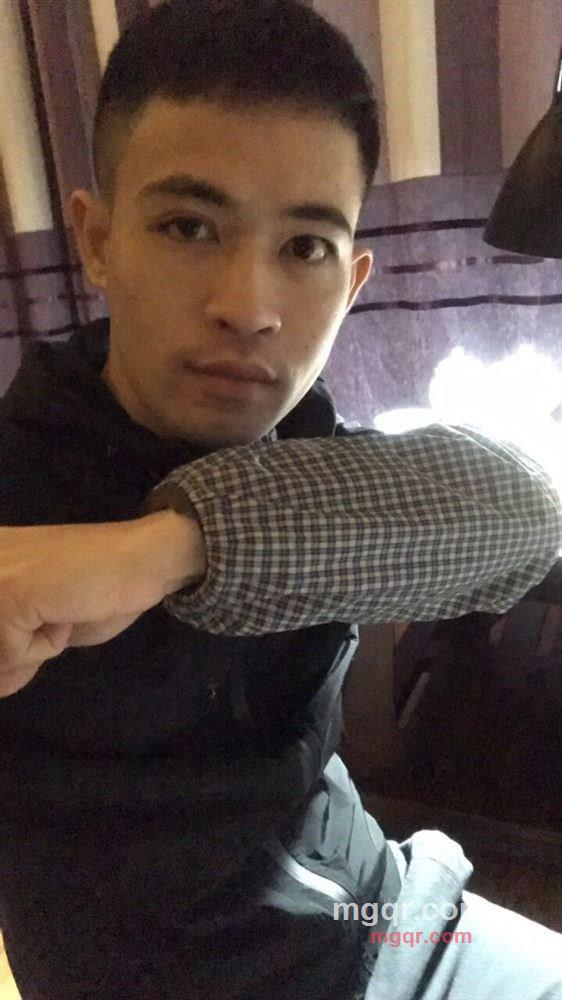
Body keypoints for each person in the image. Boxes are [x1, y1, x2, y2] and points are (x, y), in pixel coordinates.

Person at [1, 1, 561, 997]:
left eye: (304, 248)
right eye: (188, 227)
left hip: (387, 918)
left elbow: (526, 515)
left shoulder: (304, 445)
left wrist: (163, 548)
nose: (248, 308)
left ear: (352, 282)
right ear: (95, 240)